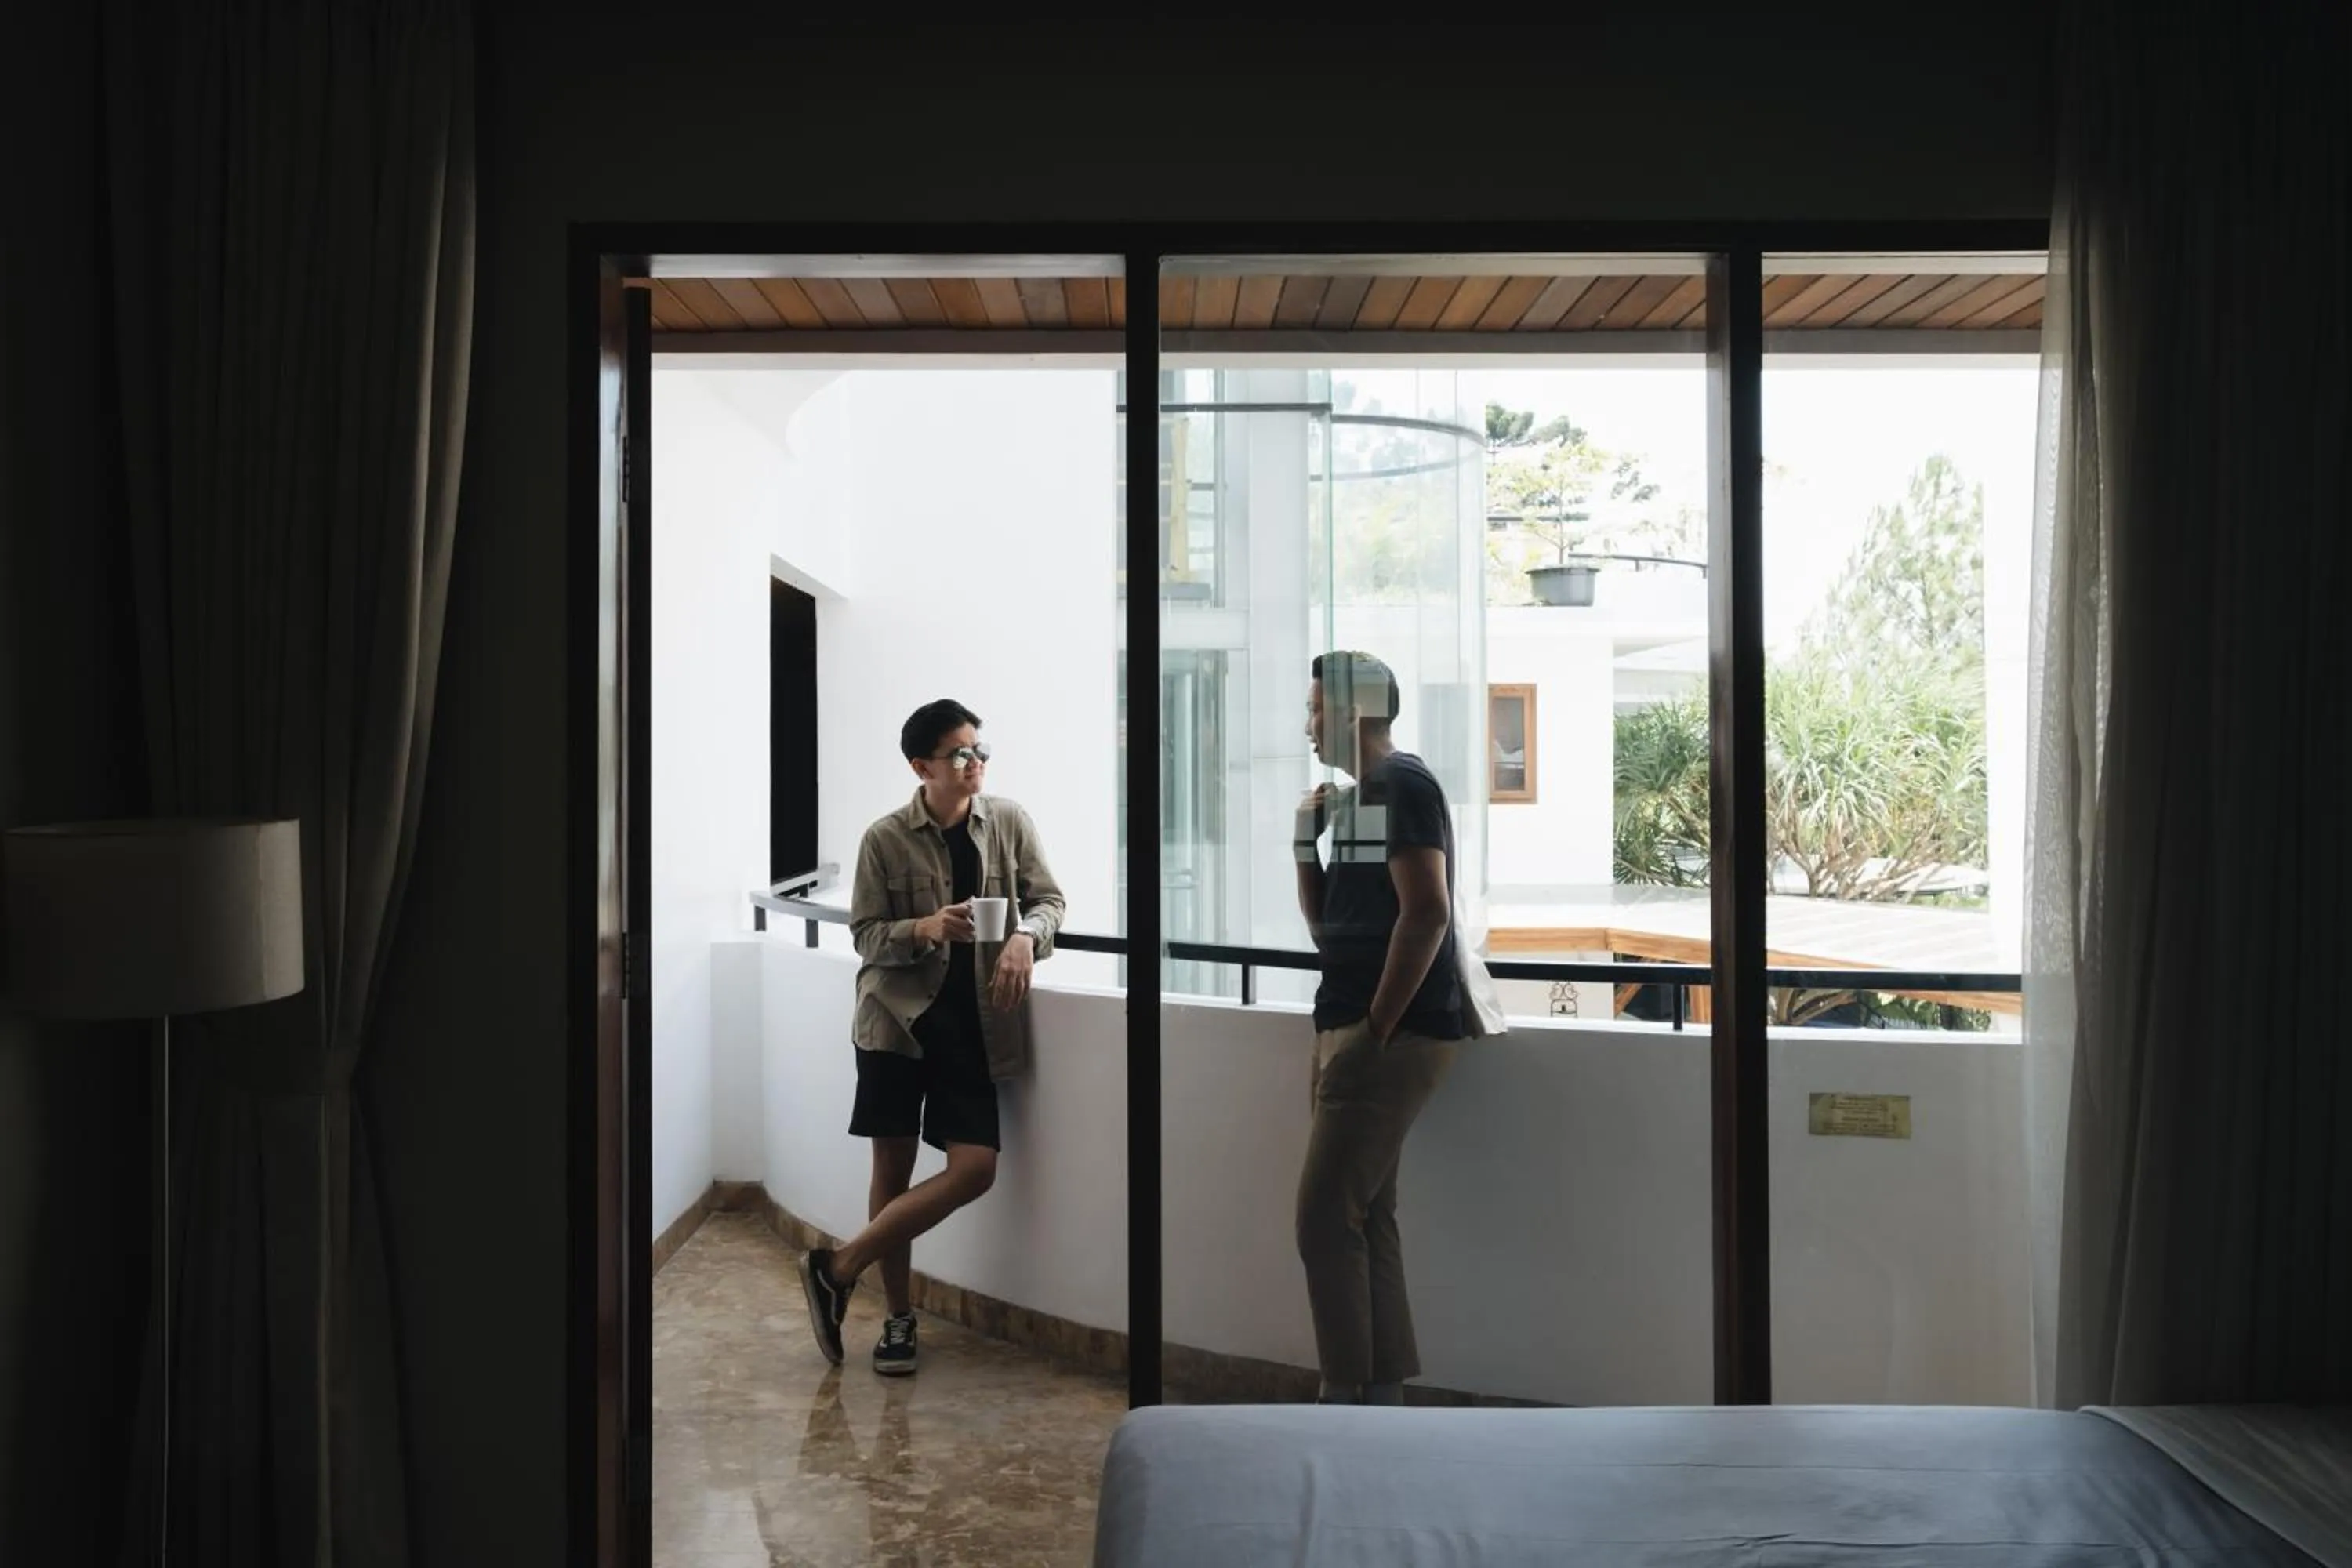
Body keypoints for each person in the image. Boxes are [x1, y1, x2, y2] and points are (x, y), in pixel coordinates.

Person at [797, 699, 1064, 1375]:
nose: (974, 763)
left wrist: (1025, 941)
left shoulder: (1007, 821)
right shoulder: (884, 839)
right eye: (959, 754)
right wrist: (925, 928)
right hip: (894, 1023)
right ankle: (897, 1320)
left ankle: (838, 1266)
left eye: (979, 750)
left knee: (974, 1168)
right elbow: (865, 935)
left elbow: (1049, 900)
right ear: (923, 767)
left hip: (975, 1025)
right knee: (892, 1170)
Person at [1290, 651, 1465, 1406]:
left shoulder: (1404, 785)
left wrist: (1376, 1030)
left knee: (1323, 1221)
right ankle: (1382, 1395)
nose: (1308, 726)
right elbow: (1333, 929)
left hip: (1386, 1035)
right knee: (1366, 1217)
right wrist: (1307, 843)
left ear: (1353, 711)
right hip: (1353, 1025)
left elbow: (1428, 912)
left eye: (1317, 709)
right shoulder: (1367, 797)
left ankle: (1342, 1399)